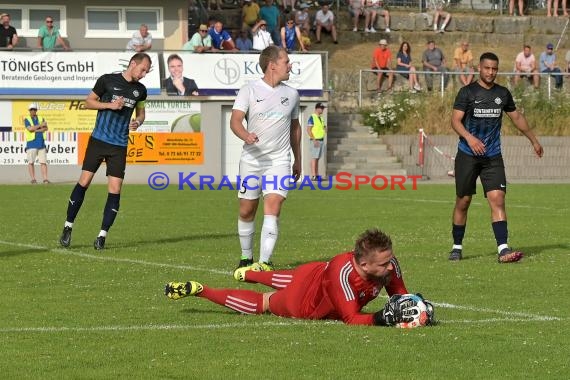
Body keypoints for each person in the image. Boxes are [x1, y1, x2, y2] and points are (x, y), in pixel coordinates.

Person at [165, 228, 433, 327]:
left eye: (390, 261)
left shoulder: (389, 264)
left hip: (312, 272)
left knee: (290, 275)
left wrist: (416, 308)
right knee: (266, 303)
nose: (390, 268)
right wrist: (380, 318)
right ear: (363, 263)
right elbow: (350, 318)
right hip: (304, 302)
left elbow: (400, 294)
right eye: (384, 264)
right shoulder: (343, 276)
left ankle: (250, 273)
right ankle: (201, 289)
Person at [449, 52, 543, 263]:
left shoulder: (503, 93)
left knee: (497, 198)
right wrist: (470, 138)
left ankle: (503, 248)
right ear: (479, 68)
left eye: (494, 69)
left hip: (492, 156)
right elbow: (455, 121)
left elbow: (516, 117)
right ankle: (456, 246)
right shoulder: (467, 92)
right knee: (463, 202)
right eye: (487, 68)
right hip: (467, 155)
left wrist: (534, 140)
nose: (491, 72)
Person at [58, 53, 151, 250]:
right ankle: (68, 226)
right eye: (142, 69)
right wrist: (109, 104)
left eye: (146, 72)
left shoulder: (140, 91)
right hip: (98, 141)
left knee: (115, 189)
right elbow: (88, 102)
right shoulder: (107, 80)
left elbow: (141, 113)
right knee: (84, 182)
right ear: (133, 63)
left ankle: (102, 236)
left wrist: (138, 121)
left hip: (119, 145)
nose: (143, 74)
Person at [229, 46, 301, 270]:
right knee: (246, 209)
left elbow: (295, 128)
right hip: (251, 160)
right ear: (273, 65)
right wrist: (246, 135)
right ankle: (246, 256)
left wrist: (297, 159)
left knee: (273, 204)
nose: (290, 66)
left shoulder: (292, 94)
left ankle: (264, 262)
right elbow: (235, 120)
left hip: (279, 162)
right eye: (286, 62)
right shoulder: (249, 90)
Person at [24, 103, 50, 184]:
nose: (33, 111)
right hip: (31, 144)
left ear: (36, 110)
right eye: (31, 109)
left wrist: (38, 129)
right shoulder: (26, 119)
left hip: (41, 143)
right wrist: (40, 126)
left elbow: (45, 128)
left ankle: (45, 179)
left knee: (43, 162)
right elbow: (30, 129)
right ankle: (33, 179)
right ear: (29, 111)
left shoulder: (41, 118)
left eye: (34, 109)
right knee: (31, 162)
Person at [307, 102, 327, 181]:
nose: (322, 110)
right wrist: (314, 139)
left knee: (317, 158)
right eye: (321, 108)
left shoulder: (321, 118)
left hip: (321, 140)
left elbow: (323, 126)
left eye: (323, 108)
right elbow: (308, 130)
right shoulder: (312, 117)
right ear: (317, 108)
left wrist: (325, 129)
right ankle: (313, 175)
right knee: (314, 158)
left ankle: (317, 174)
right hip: (315, 140)